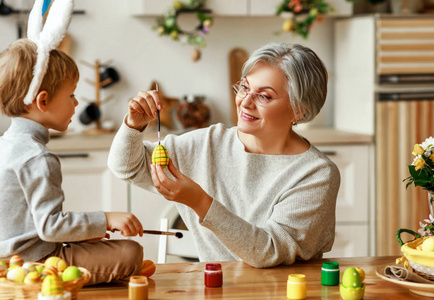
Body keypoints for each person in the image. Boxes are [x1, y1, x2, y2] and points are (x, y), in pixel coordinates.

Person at [108, 42, 340, 268]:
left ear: (299, 109)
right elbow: (128, 167)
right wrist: (133, 126)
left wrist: (199, 201)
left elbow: (269, 252)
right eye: (245, 87)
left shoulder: (316, 174)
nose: (245, 102)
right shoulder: (205, 144)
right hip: (217, 288)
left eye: (264, 96)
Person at [0, 38, 145, 285]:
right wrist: (106, 218)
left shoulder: (1, 148)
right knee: (131, 253)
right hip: (33, 264)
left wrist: (89, 231)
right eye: (71, 95)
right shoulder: (37, 156)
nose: (76, 103)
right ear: (43, 101)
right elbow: (51, 227)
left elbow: (35, 224)